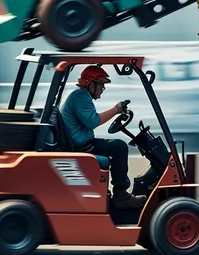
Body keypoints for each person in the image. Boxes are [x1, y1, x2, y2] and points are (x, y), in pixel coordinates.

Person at [60, 64, 146, 210]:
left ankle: (119, 194)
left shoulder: (80, 95)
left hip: (82, 143)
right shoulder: (81, 96)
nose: (102, 89)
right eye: (100, 85)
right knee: (119, 147)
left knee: (117, 145)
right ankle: (121, 196)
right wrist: (115, 110)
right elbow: (93, 121)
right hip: (82, 147)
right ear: (91, 83)